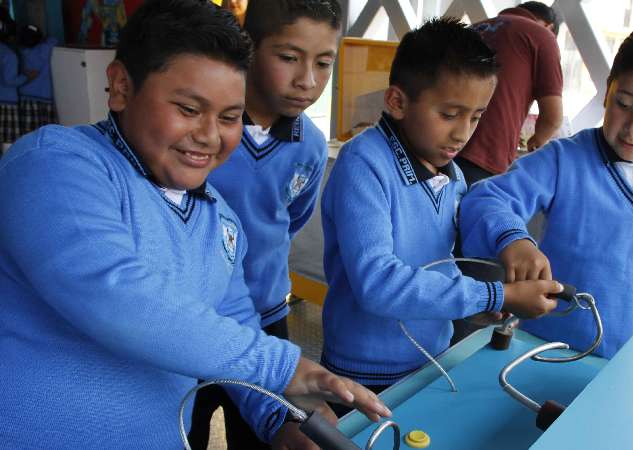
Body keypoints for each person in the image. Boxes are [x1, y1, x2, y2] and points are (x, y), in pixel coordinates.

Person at [0, 1, 389, 449]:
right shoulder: (56, 164)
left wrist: (278, 416)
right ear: (122, 86)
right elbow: (116, 295)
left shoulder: (218, 218)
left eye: (229, 118)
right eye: (188, 108)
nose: (209, 136)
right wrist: (281, 367)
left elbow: (233, 322)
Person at [320, 17, 565, 415]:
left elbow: (451, 247)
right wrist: (494, 293)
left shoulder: (448, 170)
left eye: (475, 116)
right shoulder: (363, 164)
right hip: (363, 374)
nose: (462, 133)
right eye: (449, 114)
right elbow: (378, 283)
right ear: (397, 101)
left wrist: (512, 242)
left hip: (429, 358)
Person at [459, 22, 633, 359]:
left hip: (630, 364)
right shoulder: (563, 160)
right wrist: (514, 239)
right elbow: (485, 199)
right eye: (623, 104)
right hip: (542, 349)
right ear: (608, 90)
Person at [192, 0, 341, 448]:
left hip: (266, 315)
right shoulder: (201, 135)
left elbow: (289, 222)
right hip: (192, 318)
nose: (307, 81)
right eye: (289, 57)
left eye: (324, 62)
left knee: (259, 433)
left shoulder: (310, 147)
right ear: (250, 47)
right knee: (186, 428)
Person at [455, 1, 563, 186]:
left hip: (438, 147)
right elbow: (553, 117)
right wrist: (538, 140)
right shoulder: (542, 35)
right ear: (549, 27)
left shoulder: (471, 29)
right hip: (486, 154)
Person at [0, 15, 37, 151]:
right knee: (8, 142)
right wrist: (27, 77)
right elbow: (10, 81)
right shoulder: (8, 54)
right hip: (7, 103)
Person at [18, 24, 59, 136]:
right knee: (48, 131)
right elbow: (54, 39)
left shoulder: (23, 52)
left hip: (26, 96)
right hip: (46, 96)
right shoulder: (46, 48)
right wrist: (45, 38)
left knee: (29, 132)